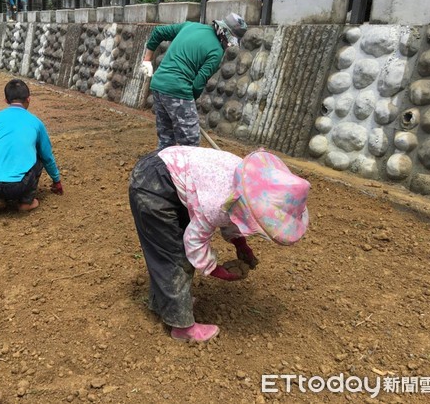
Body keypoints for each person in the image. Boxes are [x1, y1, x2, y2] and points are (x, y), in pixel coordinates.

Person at [128, 146, 310, 342]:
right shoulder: (218, 203)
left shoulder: (247, 182)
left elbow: (235, 214)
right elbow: (195, 241)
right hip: (154, 186)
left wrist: (241, 244)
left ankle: (165, 304)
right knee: (173, 256)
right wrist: (216, 270)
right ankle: (182, 328)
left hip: (168, 173)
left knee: (171, 251)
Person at [139, 13, 248, 150]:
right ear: (227, 35)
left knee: (166, 139)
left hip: (158, 85)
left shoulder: (190, 26)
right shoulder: (216, 51)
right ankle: (183, 171)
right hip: (178, 89)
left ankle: (162, 169)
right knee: (190, 142)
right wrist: (188, 103)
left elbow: (158, 32)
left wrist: (147, 60)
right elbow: (198, 84)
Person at [0, 79, 63, 214]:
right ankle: (26, 203)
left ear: (6, 100)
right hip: (18, 185)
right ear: (29, 99)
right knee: (39, 156)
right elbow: (47, 156)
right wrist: (56, 181)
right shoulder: (36, 122)